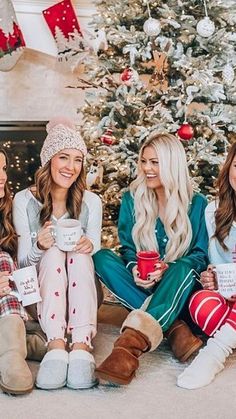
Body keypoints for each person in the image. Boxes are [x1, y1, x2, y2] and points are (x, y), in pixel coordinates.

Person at [93, 132, 209, 385]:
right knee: (101, 257)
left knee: (184, 266)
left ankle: (128, 349)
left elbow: (200, 255)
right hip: (142, 284)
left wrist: (167, 269)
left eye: (155, 162)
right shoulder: (131, 199)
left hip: (180, 286)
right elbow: (127, 248)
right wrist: (134, 267)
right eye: (144, 161)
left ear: (171, 163)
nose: (146, 168)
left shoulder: (197, 203)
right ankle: (175, 328)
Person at [13, 118, 102, 390]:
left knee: (79, 254)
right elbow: (23, 266)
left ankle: (81, 343)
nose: (71, 167)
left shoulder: (91, 202)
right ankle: (55, 343)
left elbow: (95, 252)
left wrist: (90, 246)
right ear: (49, 160)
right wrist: (39, 246)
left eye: (77, 160)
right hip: (39, 295)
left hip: (82, 294)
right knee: (51, 253)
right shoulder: (24, 201)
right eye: (63, 157)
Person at [178, 141, 236, 389]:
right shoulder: (214, 211)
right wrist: (210, 276)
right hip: (228, 299)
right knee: (199, 302)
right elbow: (214, 264)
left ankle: (217, 351)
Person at [0, 149, 33, 395]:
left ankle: (12, 352)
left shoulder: (6, 207)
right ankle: (18, 347)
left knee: (5, 259)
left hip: (4, 299)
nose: (2, 177)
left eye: (3, 169)